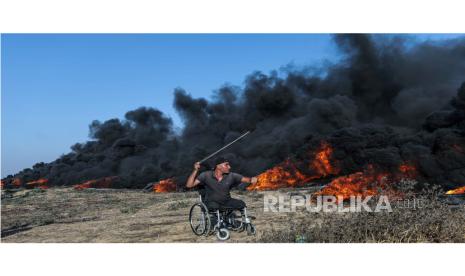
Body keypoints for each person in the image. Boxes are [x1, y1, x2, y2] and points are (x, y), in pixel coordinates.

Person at [185, 156, 258, 211]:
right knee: (214, 206)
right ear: (218, 166)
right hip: (211, 202)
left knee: (241, 204)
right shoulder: (206, 175)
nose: (229, 167)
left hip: (226, 201)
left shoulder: (231, 175)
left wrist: (251, 179)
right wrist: (195, 170)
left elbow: (246, 179)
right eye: (226, 165)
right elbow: (189, 185)